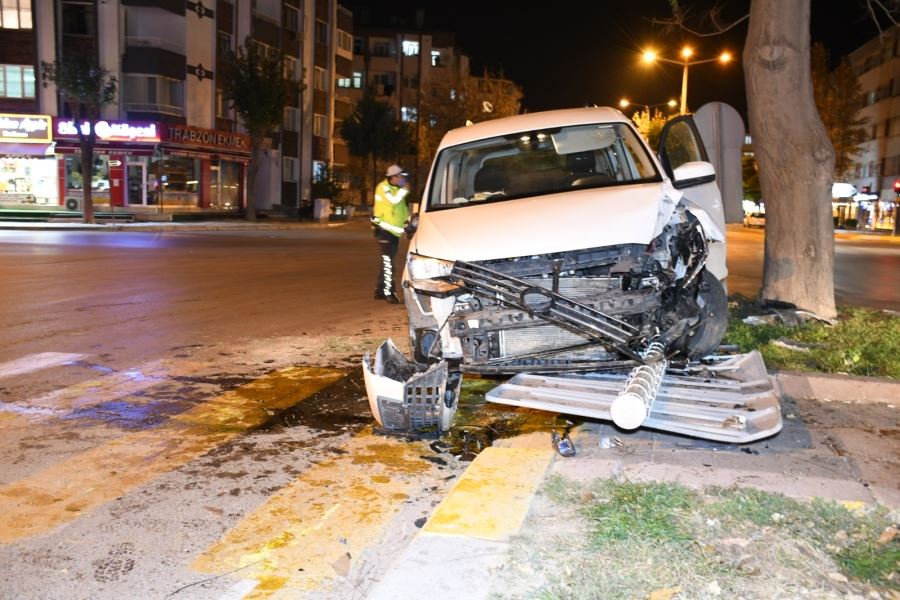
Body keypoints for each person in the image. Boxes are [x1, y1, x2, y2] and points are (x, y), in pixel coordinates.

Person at [371, 164, 411, 303]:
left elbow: (402, 211)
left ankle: (380, 290)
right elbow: (393, 201)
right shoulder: (384, 188)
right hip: (384, 230)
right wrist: (404, 190)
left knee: (387, 262)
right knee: (389, 264)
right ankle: (389, 293)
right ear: (393, 177)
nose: (402, 179)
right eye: (400, 177)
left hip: (393, 232)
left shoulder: (395, 189)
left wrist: (408, 224)